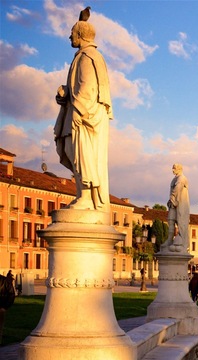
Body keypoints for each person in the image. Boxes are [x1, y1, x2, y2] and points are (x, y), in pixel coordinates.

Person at [53, 7, 113, 211]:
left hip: (86, 116)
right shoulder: (83, 56)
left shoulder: (89, 57)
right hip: (80, 112)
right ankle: (82, 194)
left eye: (72, 32)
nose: (69, 35)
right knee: (73, 151)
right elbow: (79, 87)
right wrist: (66, 93)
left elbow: (88, 87)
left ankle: (87, 197)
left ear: (80, 34)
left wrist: (79, 110)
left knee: (82, 153)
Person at [164, 164, 190, 252]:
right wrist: (171, 199)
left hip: (180, 203)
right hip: (173, 202)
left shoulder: (182, 178)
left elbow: (178, 188)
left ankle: (182, 240)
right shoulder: (174, 179)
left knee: (180, 221)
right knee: (170, 221)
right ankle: (169, 240)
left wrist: (172, 197)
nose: (172, 170)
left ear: (179, 169)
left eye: (174, 169)